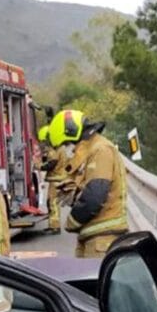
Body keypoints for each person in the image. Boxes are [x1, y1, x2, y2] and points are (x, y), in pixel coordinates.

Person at [46, 109, 128, 257]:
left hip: (103, 240)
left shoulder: (101, 150)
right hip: (94, 237)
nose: (69, 150)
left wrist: (72, 221)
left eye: (67, 144)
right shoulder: (92, 151)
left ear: (73, 135)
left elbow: (95, 195)